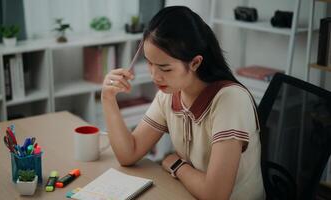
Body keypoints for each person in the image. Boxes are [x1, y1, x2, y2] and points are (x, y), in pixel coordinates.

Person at [101, 6, 265, 200]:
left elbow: (215, 195)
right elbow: (129, 154)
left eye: (165, 68)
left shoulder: (230, 101)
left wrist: (176, 164)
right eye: (149, 63)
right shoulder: (170, 93)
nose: (154, 75)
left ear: (195, 63)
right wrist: (108, 98)